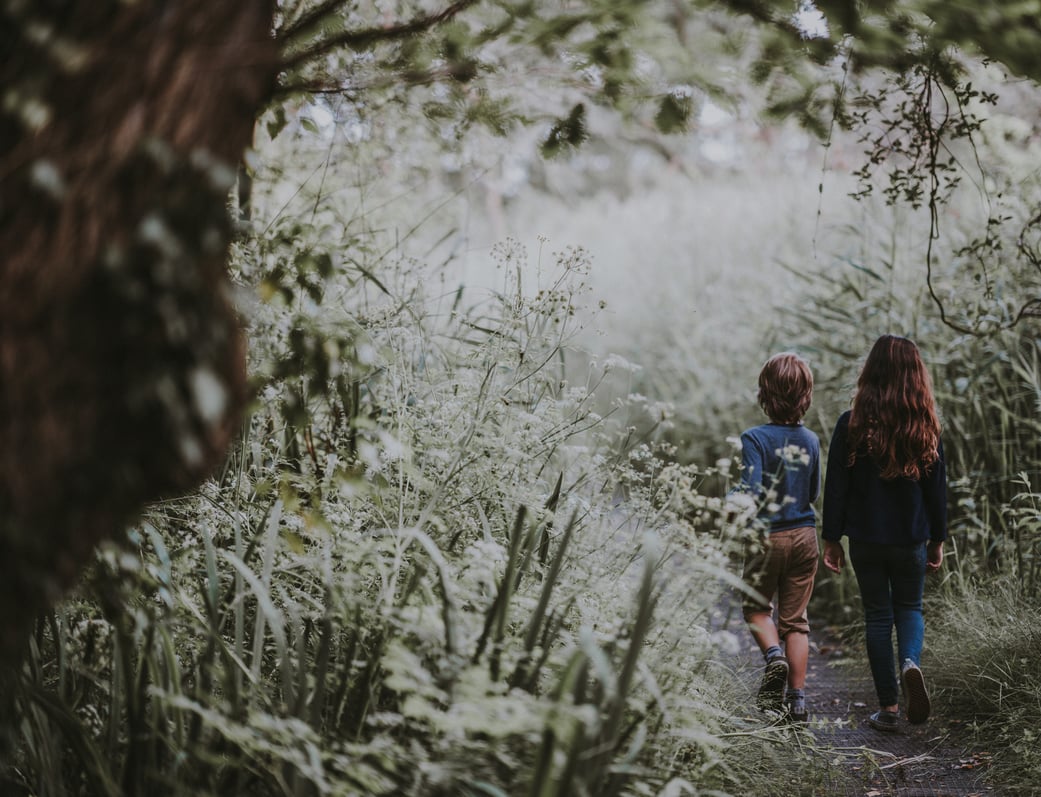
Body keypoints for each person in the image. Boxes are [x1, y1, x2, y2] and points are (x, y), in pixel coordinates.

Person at [822, 334, 946, 732]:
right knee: (909, 608)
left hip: (866, 540)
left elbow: (835, 485)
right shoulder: (924, 425)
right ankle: (910, 662)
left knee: (877, 615)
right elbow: (937, 489)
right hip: (910, 538)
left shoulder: (852, 424)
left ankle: (889, 709)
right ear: (916, 376)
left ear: (869, 373)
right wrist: (937, 538)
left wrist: (831, 538)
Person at [734, 352, 821, 722]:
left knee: (755, 606)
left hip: (766, 537)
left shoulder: (754, 438)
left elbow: (750, 491)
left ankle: (774, 658)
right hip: (804, 536)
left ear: (764, 395)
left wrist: (730, 501)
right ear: (806, 396)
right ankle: (797, 701)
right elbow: (813, 492)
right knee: (796, 620)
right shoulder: (812, 440)